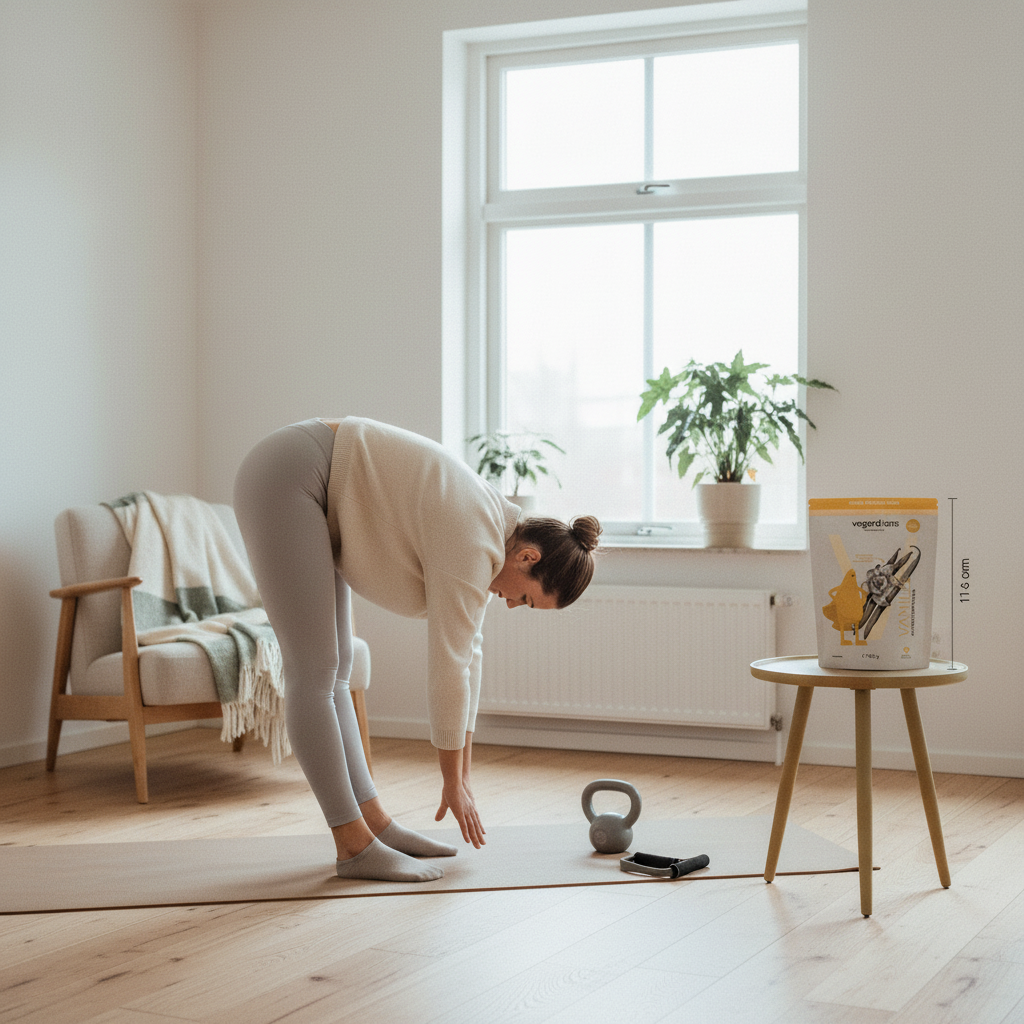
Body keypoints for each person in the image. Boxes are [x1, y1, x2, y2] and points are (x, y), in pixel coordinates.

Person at [233, 417, 601, 882]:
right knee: (314, 671)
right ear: (529, 557)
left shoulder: (493, 529)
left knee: (337, 670)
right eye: (525, 597)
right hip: (289, 475)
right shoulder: (475, 534)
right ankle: (353, 846)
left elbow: (470, 655)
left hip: (312, 480)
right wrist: (451, 780)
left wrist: (463, 776)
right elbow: (449, 667)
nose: (510, 603)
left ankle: (375, 825)